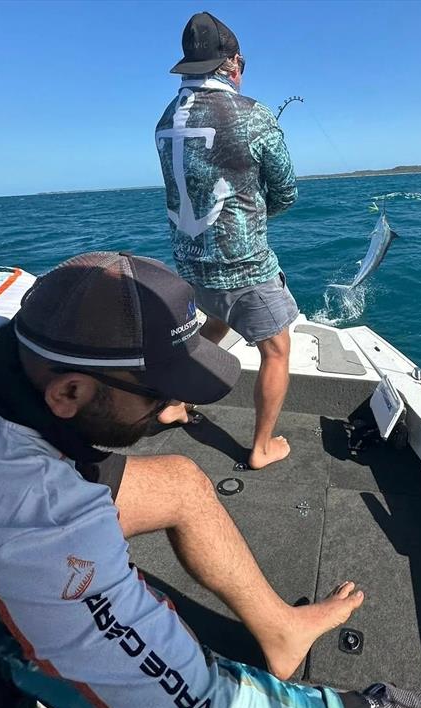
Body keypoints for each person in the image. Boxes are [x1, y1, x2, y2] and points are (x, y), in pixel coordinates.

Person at [0, 253, 421, 708]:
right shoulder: (32, 528)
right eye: (158, 394)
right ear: (68, 393)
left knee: (180, 484)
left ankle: (279, 628)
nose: (178, 409)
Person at [156, 11, 299, 470]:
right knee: (276, 348)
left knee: (213, 325)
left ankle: (176, 402)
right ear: (233, 64)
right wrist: (255, 217)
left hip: (190, 263)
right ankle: (260, 446)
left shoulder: (164, 120)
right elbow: (287, 191)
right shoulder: (254, 115)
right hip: (244, 265)